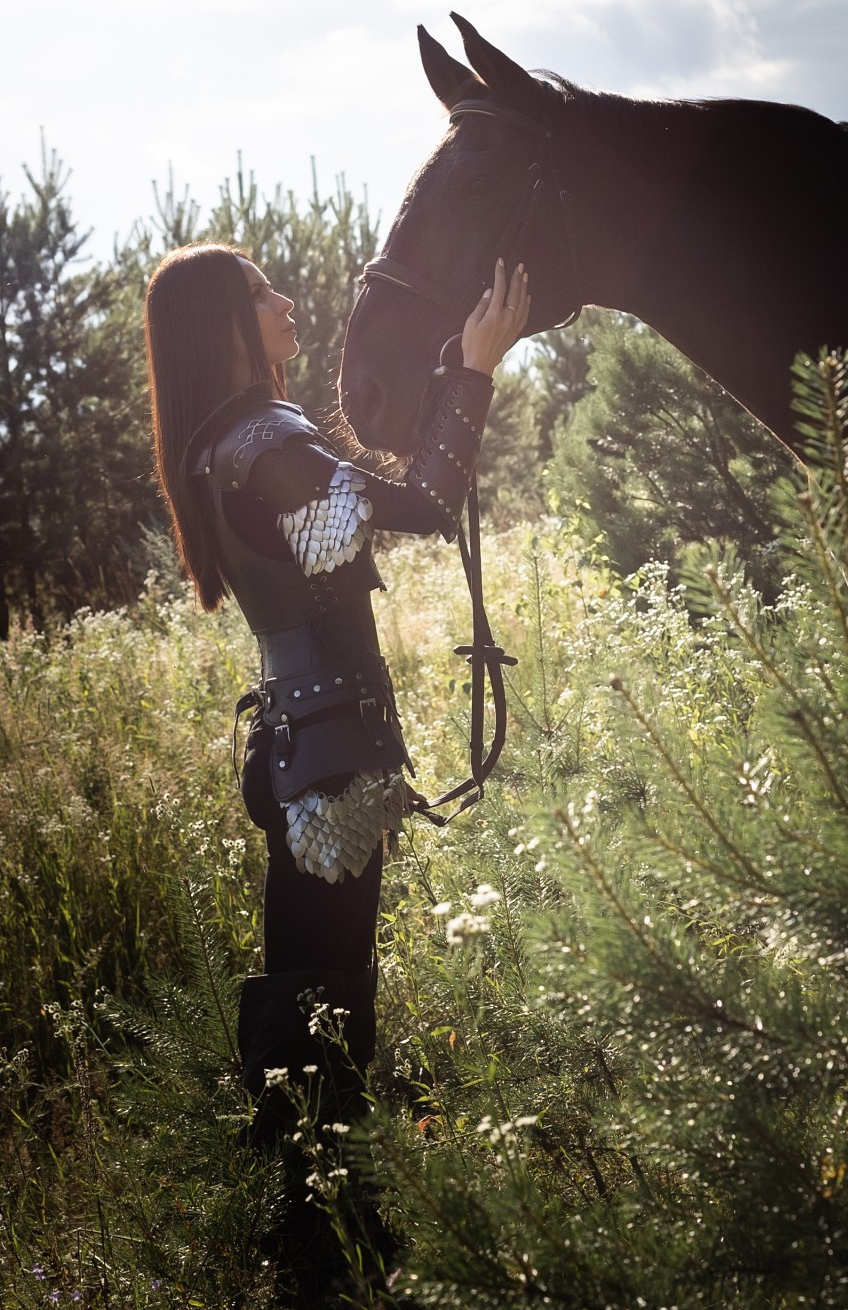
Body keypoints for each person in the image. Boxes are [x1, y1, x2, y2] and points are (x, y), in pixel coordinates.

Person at [144, 240, 529, 1304]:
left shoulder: (222, 444)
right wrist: (478, 366)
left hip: (300, 749)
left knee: (308, 990)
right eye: (265, 295)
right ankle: (326, 1251)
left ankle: (310, 1230)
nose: (287, 305)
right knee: (328, 1003)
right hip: (327, 762)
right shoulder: (266, 438)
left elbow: (352, 526)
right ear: (227, 322)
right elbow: (429, 501)